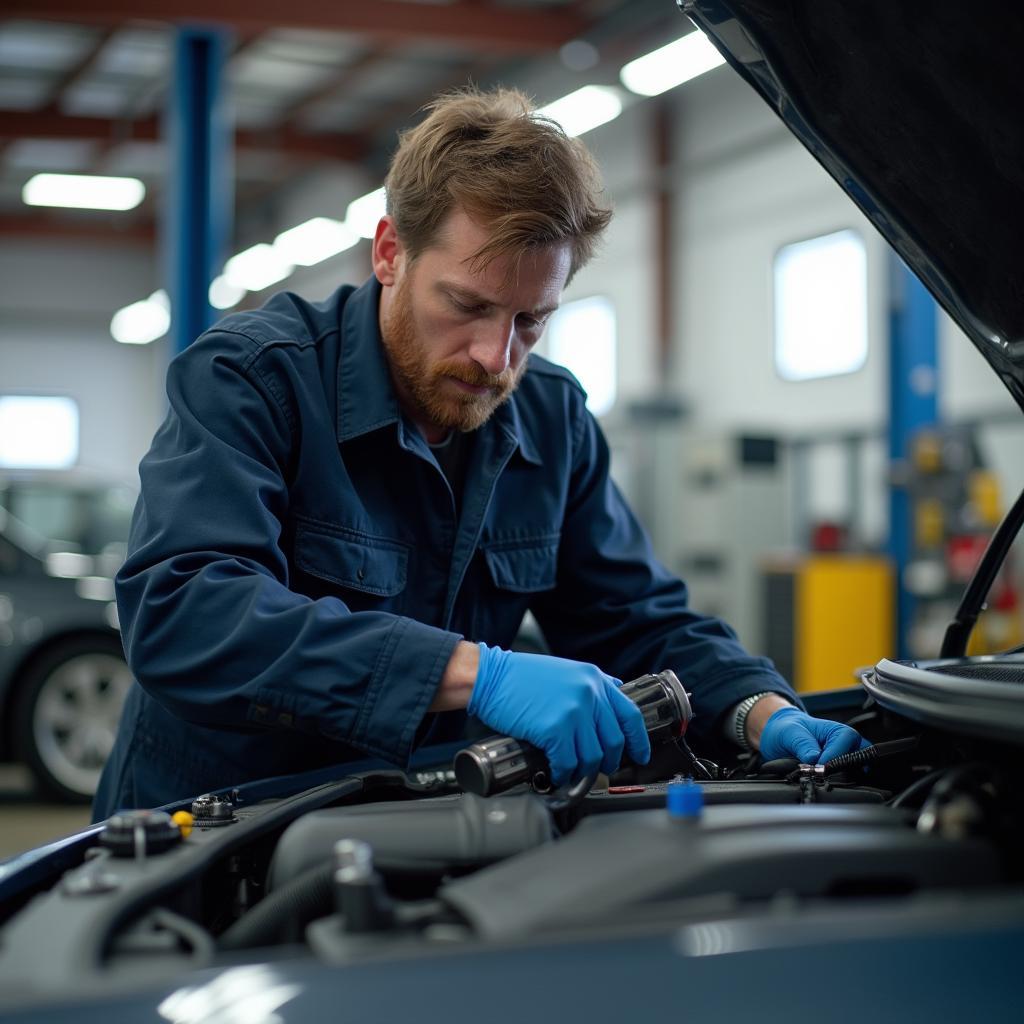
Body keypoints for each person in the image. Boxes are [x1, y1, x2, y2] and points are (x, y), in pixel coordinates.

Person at [93, 87, 864, 820]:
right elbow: (184, 610)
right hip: (212, 838)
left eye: (532, 319)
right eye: (468, 305)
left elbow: (634, 620)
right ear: (390, 253)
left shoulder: (552, 415)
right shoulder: (255, 377)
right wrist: (474, 673)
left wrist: (755, 709)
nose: (497, 357)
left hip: (420, 825)